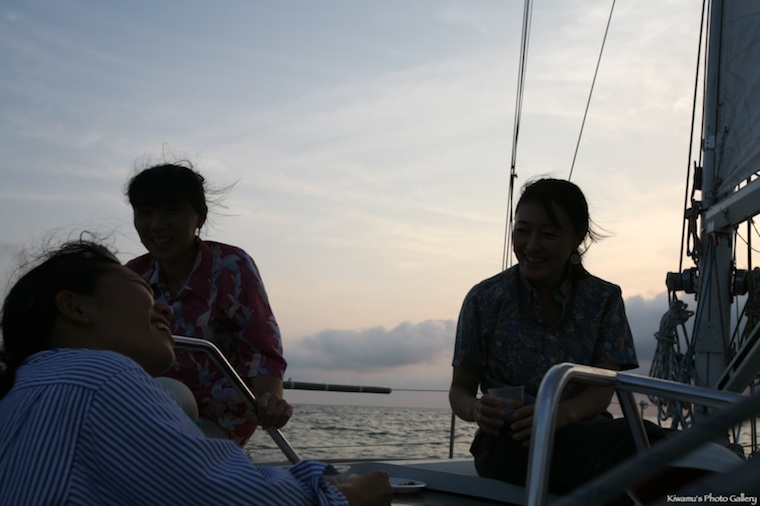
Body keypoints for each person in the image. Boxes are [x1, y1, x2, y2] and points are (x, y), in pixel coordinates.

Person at [0, 239, 392, 506]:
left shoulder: (25, 388)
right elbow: (235, 498)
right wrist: (346, 495)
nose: (165, 308)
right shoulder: (102, 376)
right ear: (76, 308)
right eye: (143, 291)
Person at [448, 178, 667, 503]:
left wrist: (559, 415)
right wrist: (477, 408)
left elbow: (601, 389)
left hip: (587, 435)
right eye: (522, 231)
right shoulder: (484, 299)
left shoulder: (603, 299)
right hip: (510, 442)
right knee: (636, 447)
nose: (531, 245)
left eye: (548, 234)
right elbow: (460, 390)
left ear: (577, 237)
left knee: (636, 443)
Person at [125, 162, 291, 445]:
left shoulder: (231, 267)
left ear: (200, 217)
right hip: (150, 409)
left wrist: (270, 401)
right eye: (145, 213)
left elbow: (261, 348)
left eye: (171, 212)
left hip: (218, 418)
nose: (156, 225)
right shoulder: (131, 276)